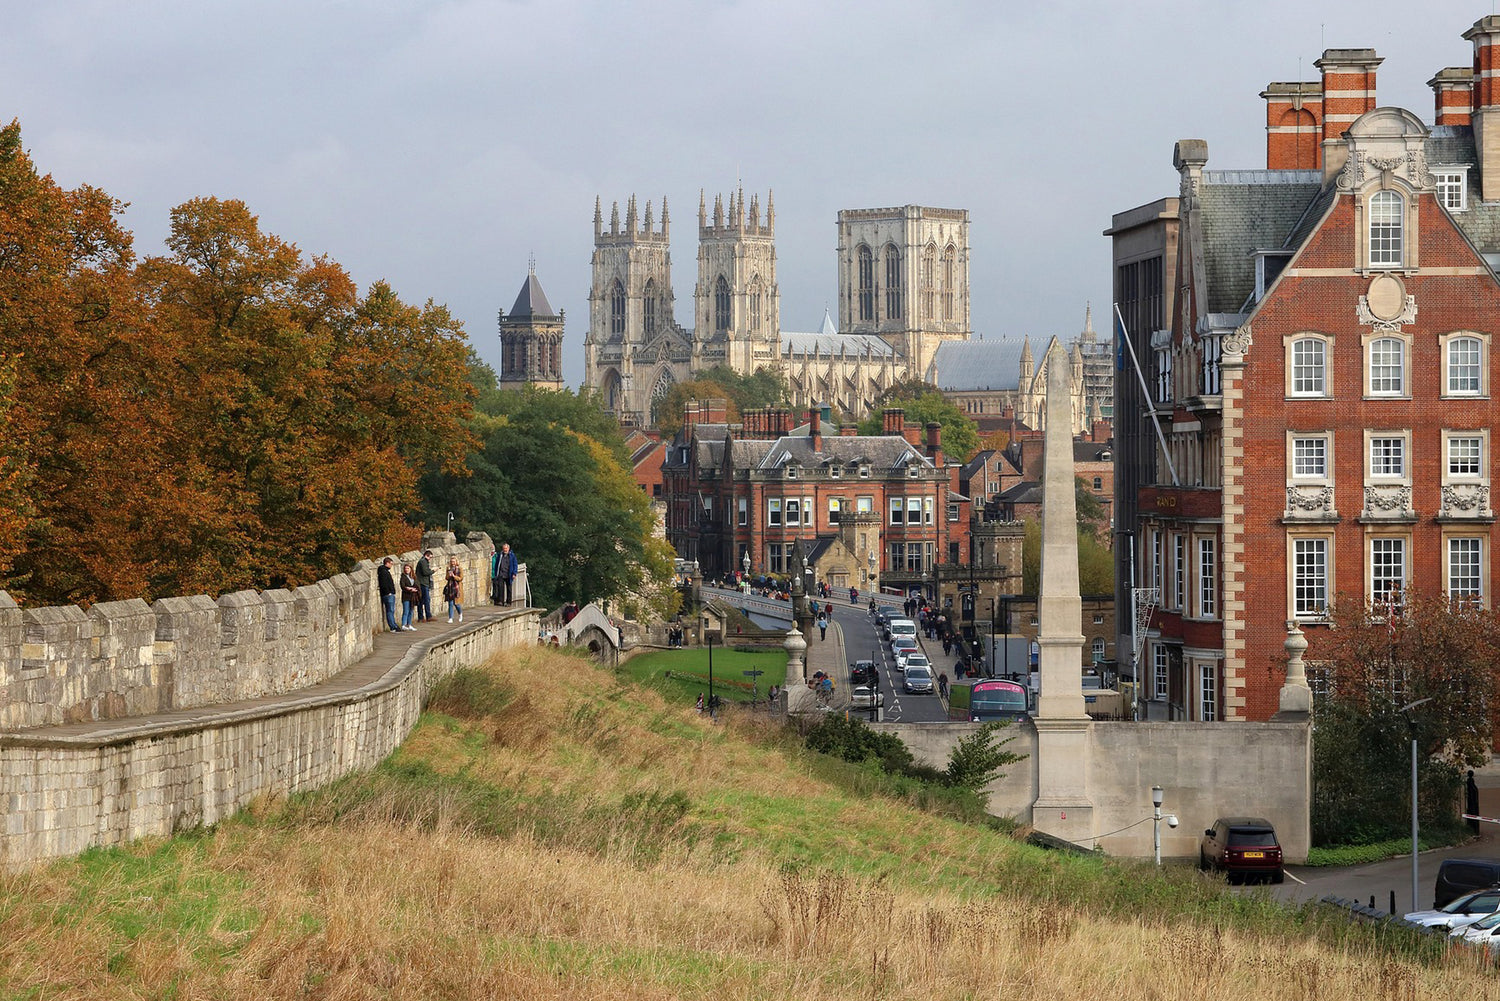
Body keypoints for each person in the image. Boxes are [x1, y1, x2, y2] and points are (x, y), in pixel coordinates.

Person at [377, 557, 400, 632]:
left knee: (391, 610)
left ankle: (394, 625)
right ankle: (393, 627)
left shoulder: (385, 571)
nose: (391, 565)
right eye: (391, 564)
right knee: (390, 610)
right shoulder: (383, 572)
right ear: (387, 563)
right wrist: (388, 592)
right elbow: (383, 584)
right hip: (388, 595)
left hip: (389, 594)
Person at [415, 550, 435, 622]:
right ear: (427, 555)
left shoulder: (424, 561)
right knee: (425, 600)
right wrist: (433, 571)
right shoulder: (423, 561)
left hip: (423, 583)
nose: (430, 559)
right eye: (430, 557)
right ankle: (427, 616)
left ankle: (422, 617)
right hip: (423, 583)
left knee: (422, 600)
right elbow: (425, 572)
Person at [399, 563, 420, 631]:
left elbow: (417, 584)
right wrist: (409, 589)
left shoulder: (413, 576)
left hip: (413, 596)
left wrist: (414, 589)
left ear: (411, 569)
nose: (406, 570)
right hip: (406, 596)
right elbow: (403, 586)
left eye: (408, 568)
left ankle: (409, 624)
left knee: (411, 610)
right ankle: (403, 625)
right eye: (405, 568)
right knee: (406, 610)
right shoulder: (403, 577)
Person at [444, 557, 464, 623]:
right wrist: (449, 576)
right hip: (450, 587)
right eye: (451, 561)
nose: (452, 563)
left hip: (457, 588)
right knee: (450, 603)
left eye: (453, 561)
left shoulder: (460, 568)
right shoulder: (448, 568)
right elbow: (446, 578)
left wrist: (454, 576)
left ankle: (460, 614)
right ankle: (450, 618)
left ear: (456, 562)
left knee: (456, 604)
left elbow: (461, 578)